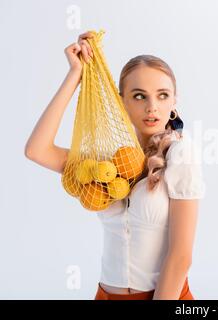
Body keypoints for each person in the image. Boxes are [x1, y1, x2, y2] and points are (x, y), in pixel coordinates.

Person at [24, 31, 206, 300]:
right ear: (122, 101)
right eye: (139, 96)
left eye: (163, 95)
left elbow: (181, 256)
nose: (152, 107)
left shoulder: (180, 153)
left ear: (174, 102)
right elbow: (37, 150)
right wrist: (76, 74)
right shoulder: (107, 160)